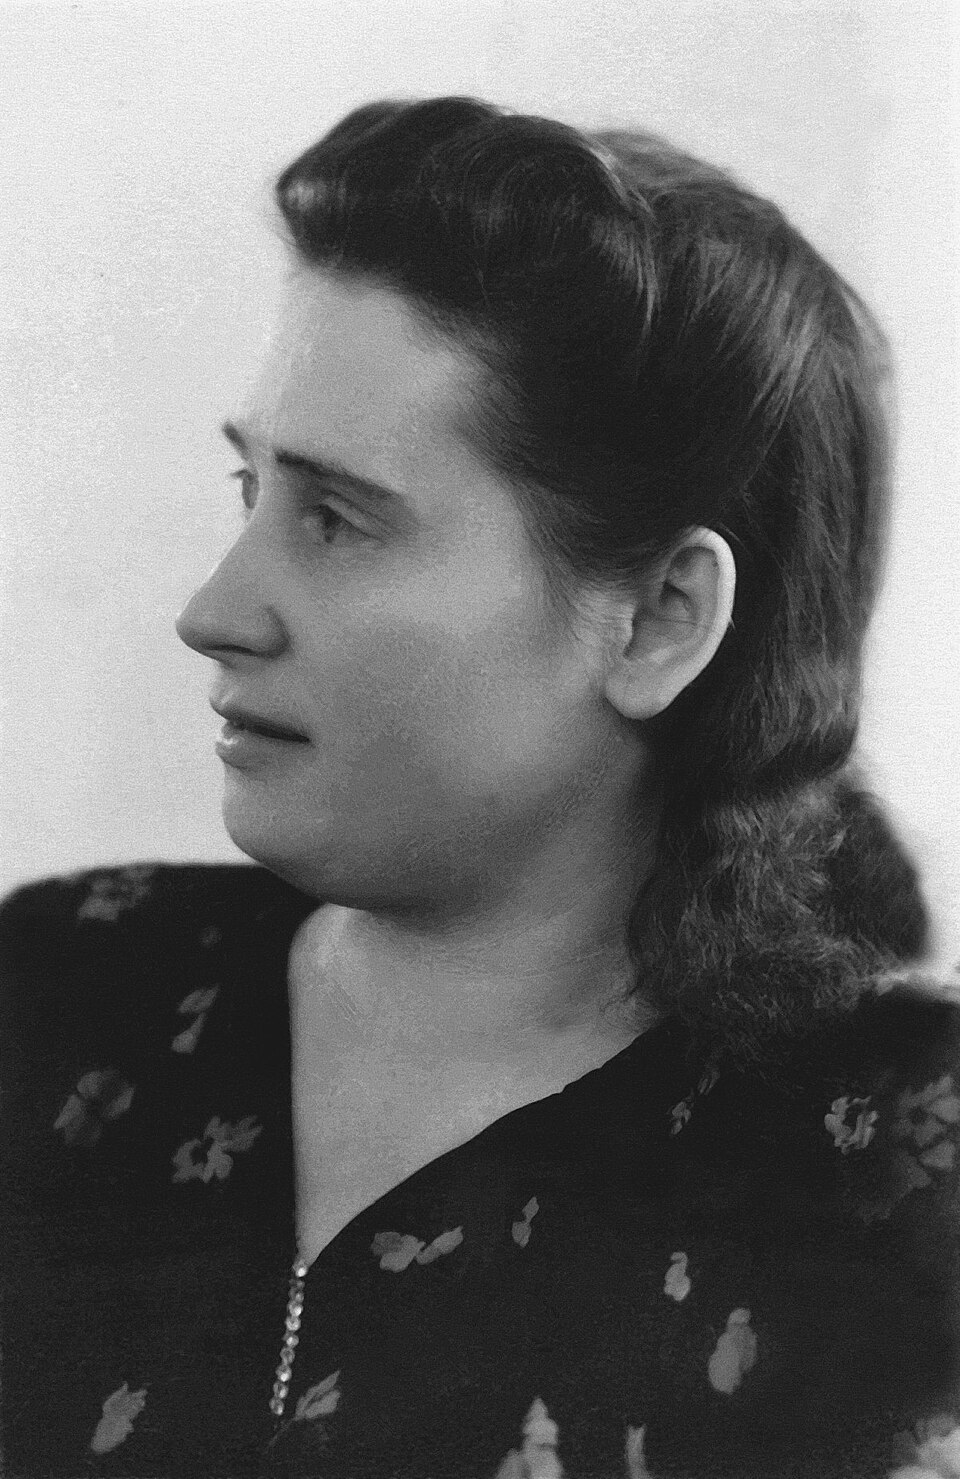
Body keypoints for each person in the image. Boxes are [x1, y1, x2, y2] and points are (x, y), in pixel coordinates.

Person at [2, 94, 959, 1479]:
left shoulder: (890, 1186)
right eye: (249, 491)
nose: (213, 613)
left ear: (660, 620)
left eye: (338, 520)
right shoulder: (60, 999)